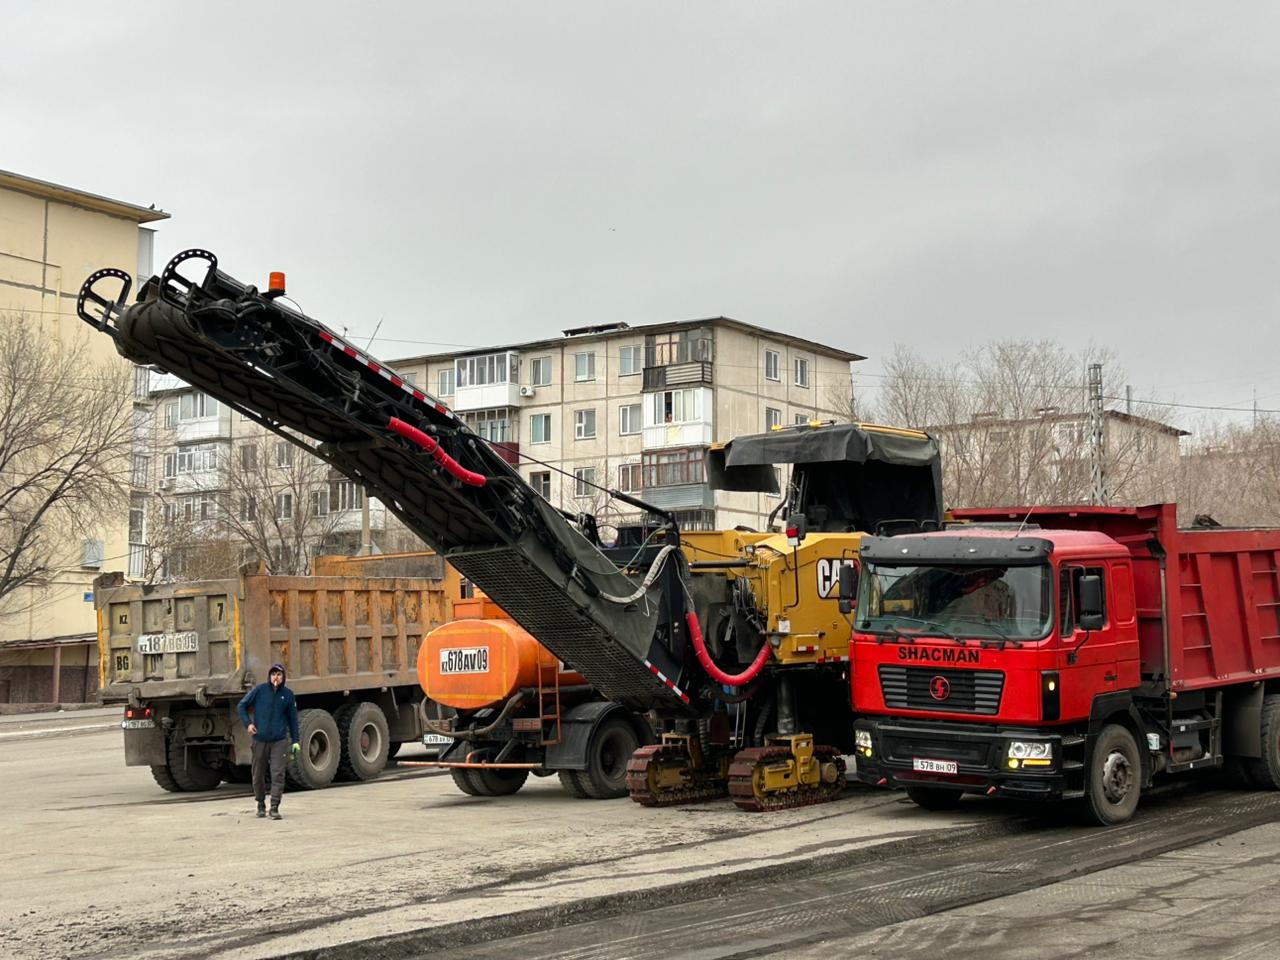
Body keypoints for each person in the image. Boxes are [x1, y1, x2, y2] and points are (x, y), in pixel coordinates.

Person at [236, 663, 300, 820]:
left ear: (283, 677)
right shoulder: (260, 691)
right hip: (260, 740)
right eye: (273, 674)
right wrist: (248, 724)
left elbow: (293, 719)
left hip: (279, 741)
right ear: (269, 676)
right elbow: (241, 706)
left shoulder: (288, 694)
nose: (276, 678)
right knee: (257, 775)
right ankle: (260, 804)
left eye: (279, 675)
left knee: (277, 774)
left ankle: (274, 807)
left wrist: (296, 741)